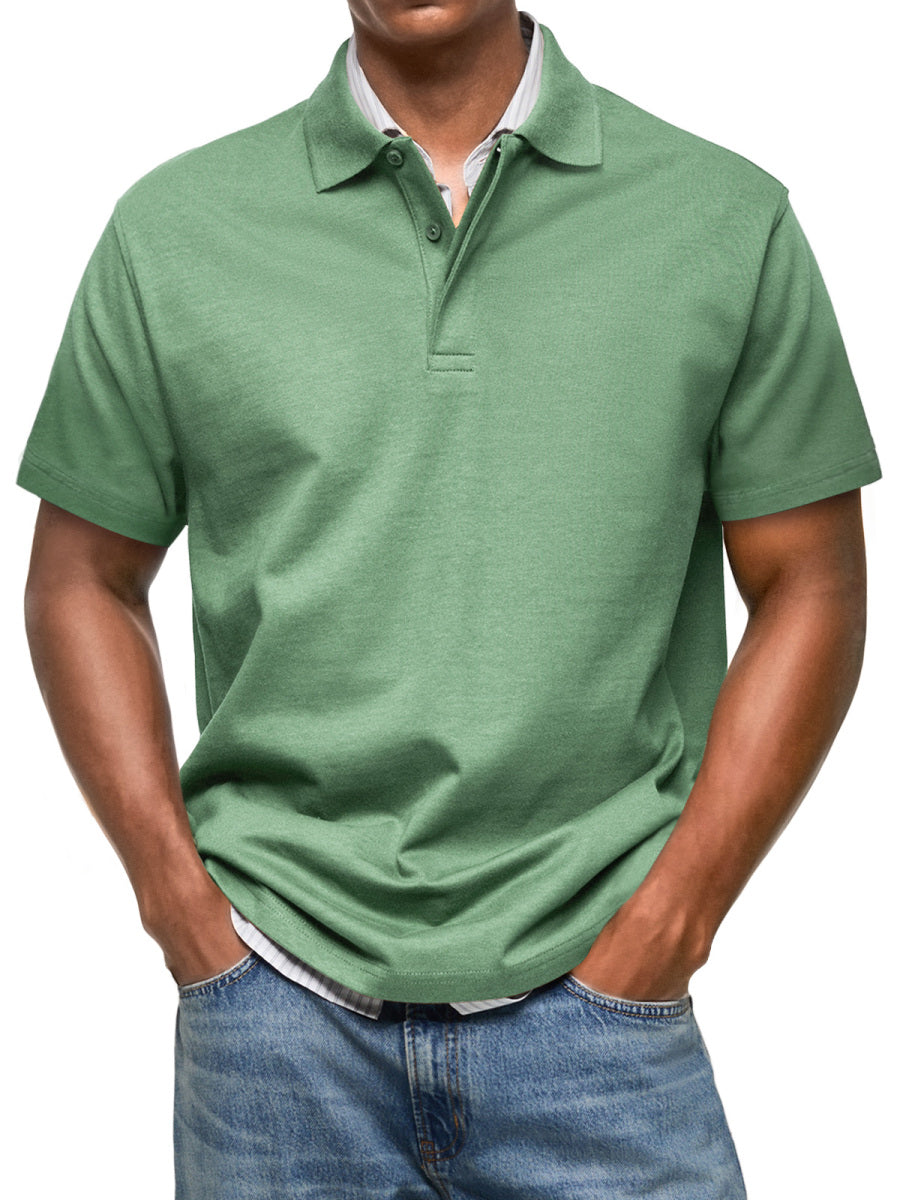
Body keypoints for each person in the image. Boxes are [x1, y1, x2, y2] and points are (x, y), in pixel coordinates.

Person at [16, 2, 883, 1197]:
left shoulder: (724, 219)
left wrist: (677, 917)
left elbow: (813, 582)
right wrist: (178, 905)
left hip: (603, 1009)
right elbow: (81, 576)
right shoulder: (172, 231)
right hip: (274, 1018)